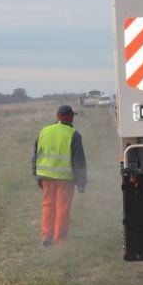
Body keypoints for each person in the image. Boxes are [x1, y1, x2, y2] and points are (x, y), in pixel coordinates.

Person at [32, 105, 87, 247]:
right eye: (72, 116)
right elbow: (78, 160)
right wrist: (81, 181)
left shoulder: (44, 131)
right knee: (62, 208)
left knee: (48, 206)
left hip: (45, 176)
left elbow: (36, 155)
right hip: (65, 178)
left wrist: (36, 175)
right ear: (70, 117)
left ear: (57, 116)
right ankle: (59, 240)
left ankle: (46, 236)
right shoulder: (73, 134)